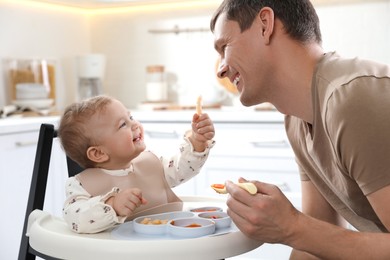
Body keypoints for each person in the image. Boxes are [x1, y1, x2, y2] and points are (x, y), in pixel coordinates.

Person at [210, 0, 390, 259]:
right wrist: (295, 229)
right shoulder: (296, 117)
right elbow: (319, 237)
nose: (221, 69)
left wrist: (291, 226)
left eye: (224, 46)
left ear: (265, 25)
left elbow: (304, 231)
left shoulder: (351, 99)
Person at [58, 95, 215, 233]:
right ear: (98, 153)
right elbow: (75, 218)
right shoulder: (80, 185)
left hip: (167, 249)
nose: (135, 125)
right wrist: (113, 205)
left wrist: (197, 143)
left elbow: (183, 169)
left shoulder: (152, 164)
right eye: (122, 125)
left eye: (131, 117)